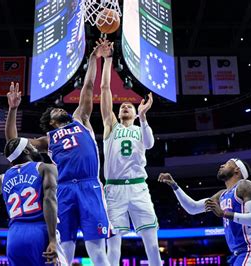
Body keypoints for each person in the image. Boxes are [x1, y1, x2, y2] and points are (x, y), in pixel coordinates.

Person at [4, 41, 111, 265]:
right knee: (64, 252)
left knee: (98, 253)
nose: (62, 108)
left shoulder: (81, 118)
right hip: (63, 190)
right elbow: (14, 143)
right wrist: (13, 109)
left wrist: (93, 57)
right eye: (56, 110)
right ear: (51, 121)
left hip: (89, 185)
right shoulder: (47, 140)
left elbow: (89, 86)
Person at [98, 41, 161, 265]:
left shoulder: (139, 127)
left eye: (129, 106)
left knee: (152, 244)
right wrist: (107, 61)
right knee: (113, 246)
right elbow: (105, 90)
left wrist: (143, 117)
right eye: (121, 106)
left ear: (135, 113)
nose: (124, 106)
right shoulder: (111, 127)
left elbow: (151, 144)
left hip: (138, 187)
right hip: (114, 189)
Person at [158, 158, 251, 265]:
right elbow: (193, 208)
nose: (222, 165)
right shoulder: (222, 195)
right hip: (238, 253)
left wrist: (224, 214)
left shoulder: (245, 185)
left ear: (237, 169)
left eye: (227, 163)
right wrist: (174, 186)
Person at [0, 138, 65, 265]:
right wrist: (52, 240)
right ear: (26, 150)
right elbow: (49, 200)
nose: (35, 147)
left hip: (14, 237)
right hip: (39, 232)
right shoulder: (45, 168)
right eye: (31, 145)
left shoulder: (2, 179)